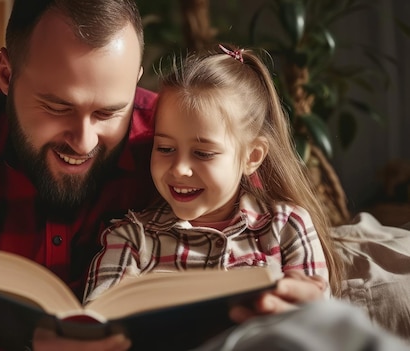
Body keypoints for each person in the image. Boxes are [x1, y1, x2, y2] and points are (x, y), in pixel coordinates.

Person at [0, 0, 330, 349]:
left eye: (109, 112)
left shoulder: (172, 138)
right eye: (56, 106)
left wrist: (304, 305)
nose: (83, 141)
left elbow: (261, 233)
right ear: (6, 73)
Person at [84, 46, 343, 311]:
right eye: (165, 148)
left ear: (251, 157)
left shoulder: (287, 227)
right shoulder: (130, 239)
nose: (179, 169)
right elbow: (96, 325)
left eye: (203, 153)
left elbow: (323, 326)